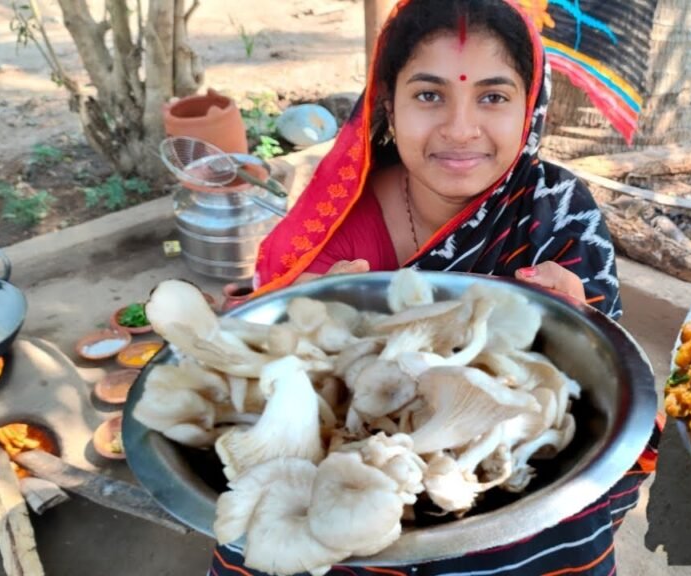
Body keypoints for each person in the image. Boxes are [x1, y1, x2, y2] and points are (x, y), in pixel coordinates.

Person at [211, 0, 661, 574]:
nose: (460, 128)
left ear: (530, 106)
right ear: (388, 106)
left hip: (501, 499)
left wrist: (581, 323)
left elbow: (597, 397)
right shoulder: (335, 224)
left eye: (493, 96)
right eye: (429, 95)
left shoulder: (555, 211)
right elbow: (281, 381)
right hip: (346, 498)